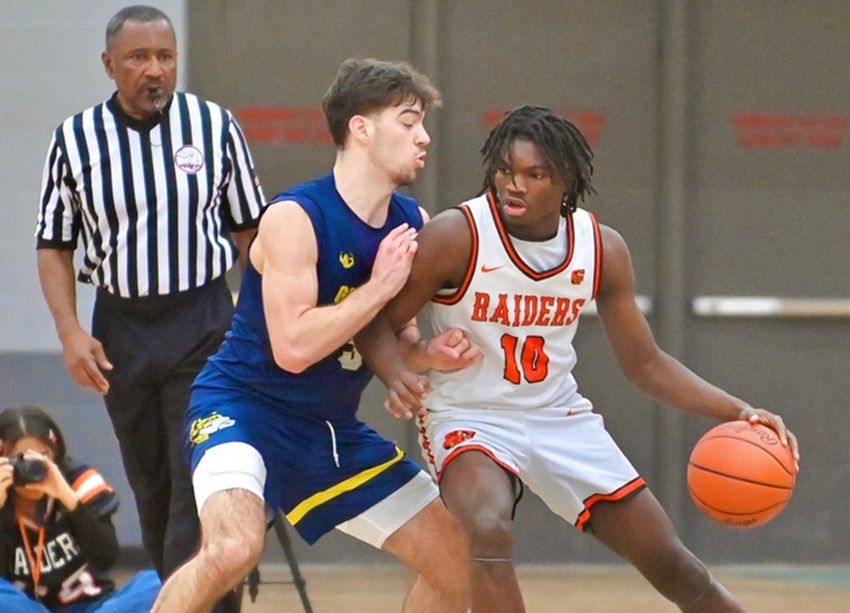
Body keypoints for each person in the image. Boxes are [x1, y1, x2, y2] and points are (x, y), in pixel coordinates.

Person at [355, 105, 801, 613]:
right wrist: (396, 373)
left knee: (671, 561)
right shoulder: (458, 235)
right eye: (504, 170)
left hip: (558, 418)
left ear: (565, 178)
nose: (513, 185)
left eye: (533, 174)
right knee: (486, 527)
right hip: (470, 417)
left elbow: (646, 363)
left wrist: (737, 411)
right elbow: (375, 321)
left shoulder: (601, 248)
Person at [151, 57, 477, 613]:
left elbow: (395, 339)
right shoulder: (294, 217)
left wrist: (426, 357)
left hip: (326, 429)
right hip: (242, 410)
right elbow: (294, 346)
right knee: (232, 549)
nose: (423, 137)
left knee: (458, 561)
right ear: (362, 128)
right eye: (408, 121)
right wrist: (377, 288)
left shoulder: (411, 222)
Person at [34, 6, 265, 609]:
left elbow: (253, 235)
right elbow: (54, 246)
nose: (154, 69)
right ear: (110, 65)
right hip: (122, 329)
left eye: (165, 56)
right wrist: (69, 332)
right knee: (153, 489)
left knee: (199, 484)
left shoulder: (215, 128)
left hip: (204, 322)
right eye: (138, 58)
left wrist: (268, 322)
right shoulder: (75, 139)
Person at [0, 406, 161, 612]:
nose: (31, 469)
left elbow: (106, 559)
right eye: (20, 459)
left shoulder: (80, 482)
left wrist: (69, 499)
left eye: (42, 457)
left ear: (56, 455)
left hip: (94, 606)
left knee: (160, 581)